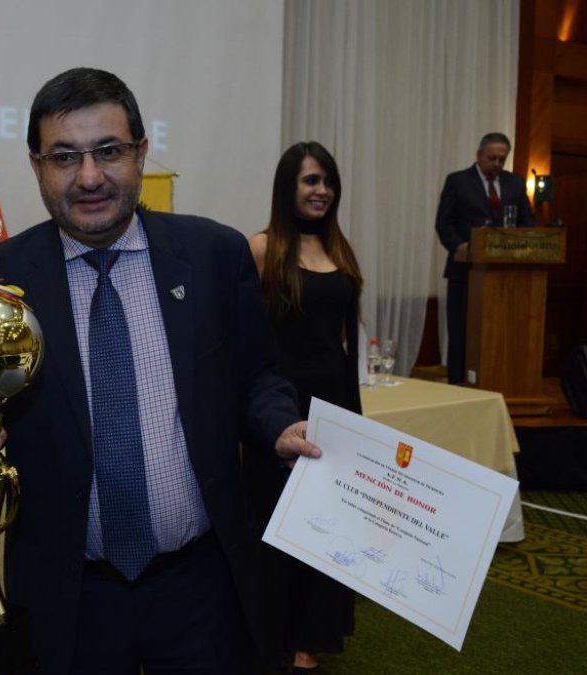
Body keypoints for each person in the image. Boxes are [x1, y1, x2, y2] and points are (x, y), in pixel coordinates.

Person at [0, 67, 320, 675]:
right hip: (68, 597)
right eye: (65, 157)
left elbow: (256, 378)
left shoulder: (214, 256)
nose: (89, 177)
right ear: (36, 167)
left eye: (108, 151)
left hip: (201, 585)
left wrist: (279, 427)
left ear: (140, 153)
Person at [246, 141, 359, 674]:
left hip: (339, 404)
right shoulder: (263, 248)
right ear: (288, 187)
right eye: (311, 181)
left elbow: (339, 340)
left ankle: (311, 638)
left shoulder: (340, 249)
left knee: (326, 528)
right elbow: (247, 339)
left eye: (328, 181)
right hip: (282, 408)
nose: (322, 191)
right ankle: (273, 637)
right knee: (279, 526)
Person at [434, 132, 534, 384]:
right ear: (479, 156)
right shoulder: (457, 181)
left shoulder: (515, 183)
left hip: (505, 275)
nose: (497, 165)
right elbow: (443, 223)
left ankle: (497, 381)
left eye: (502, 159)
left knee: (499, 333)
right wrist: (458, 246)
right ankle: (457, 385)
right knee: (462, 333)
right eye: (492, 158)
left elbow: (527, 222)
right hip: (465, 273)